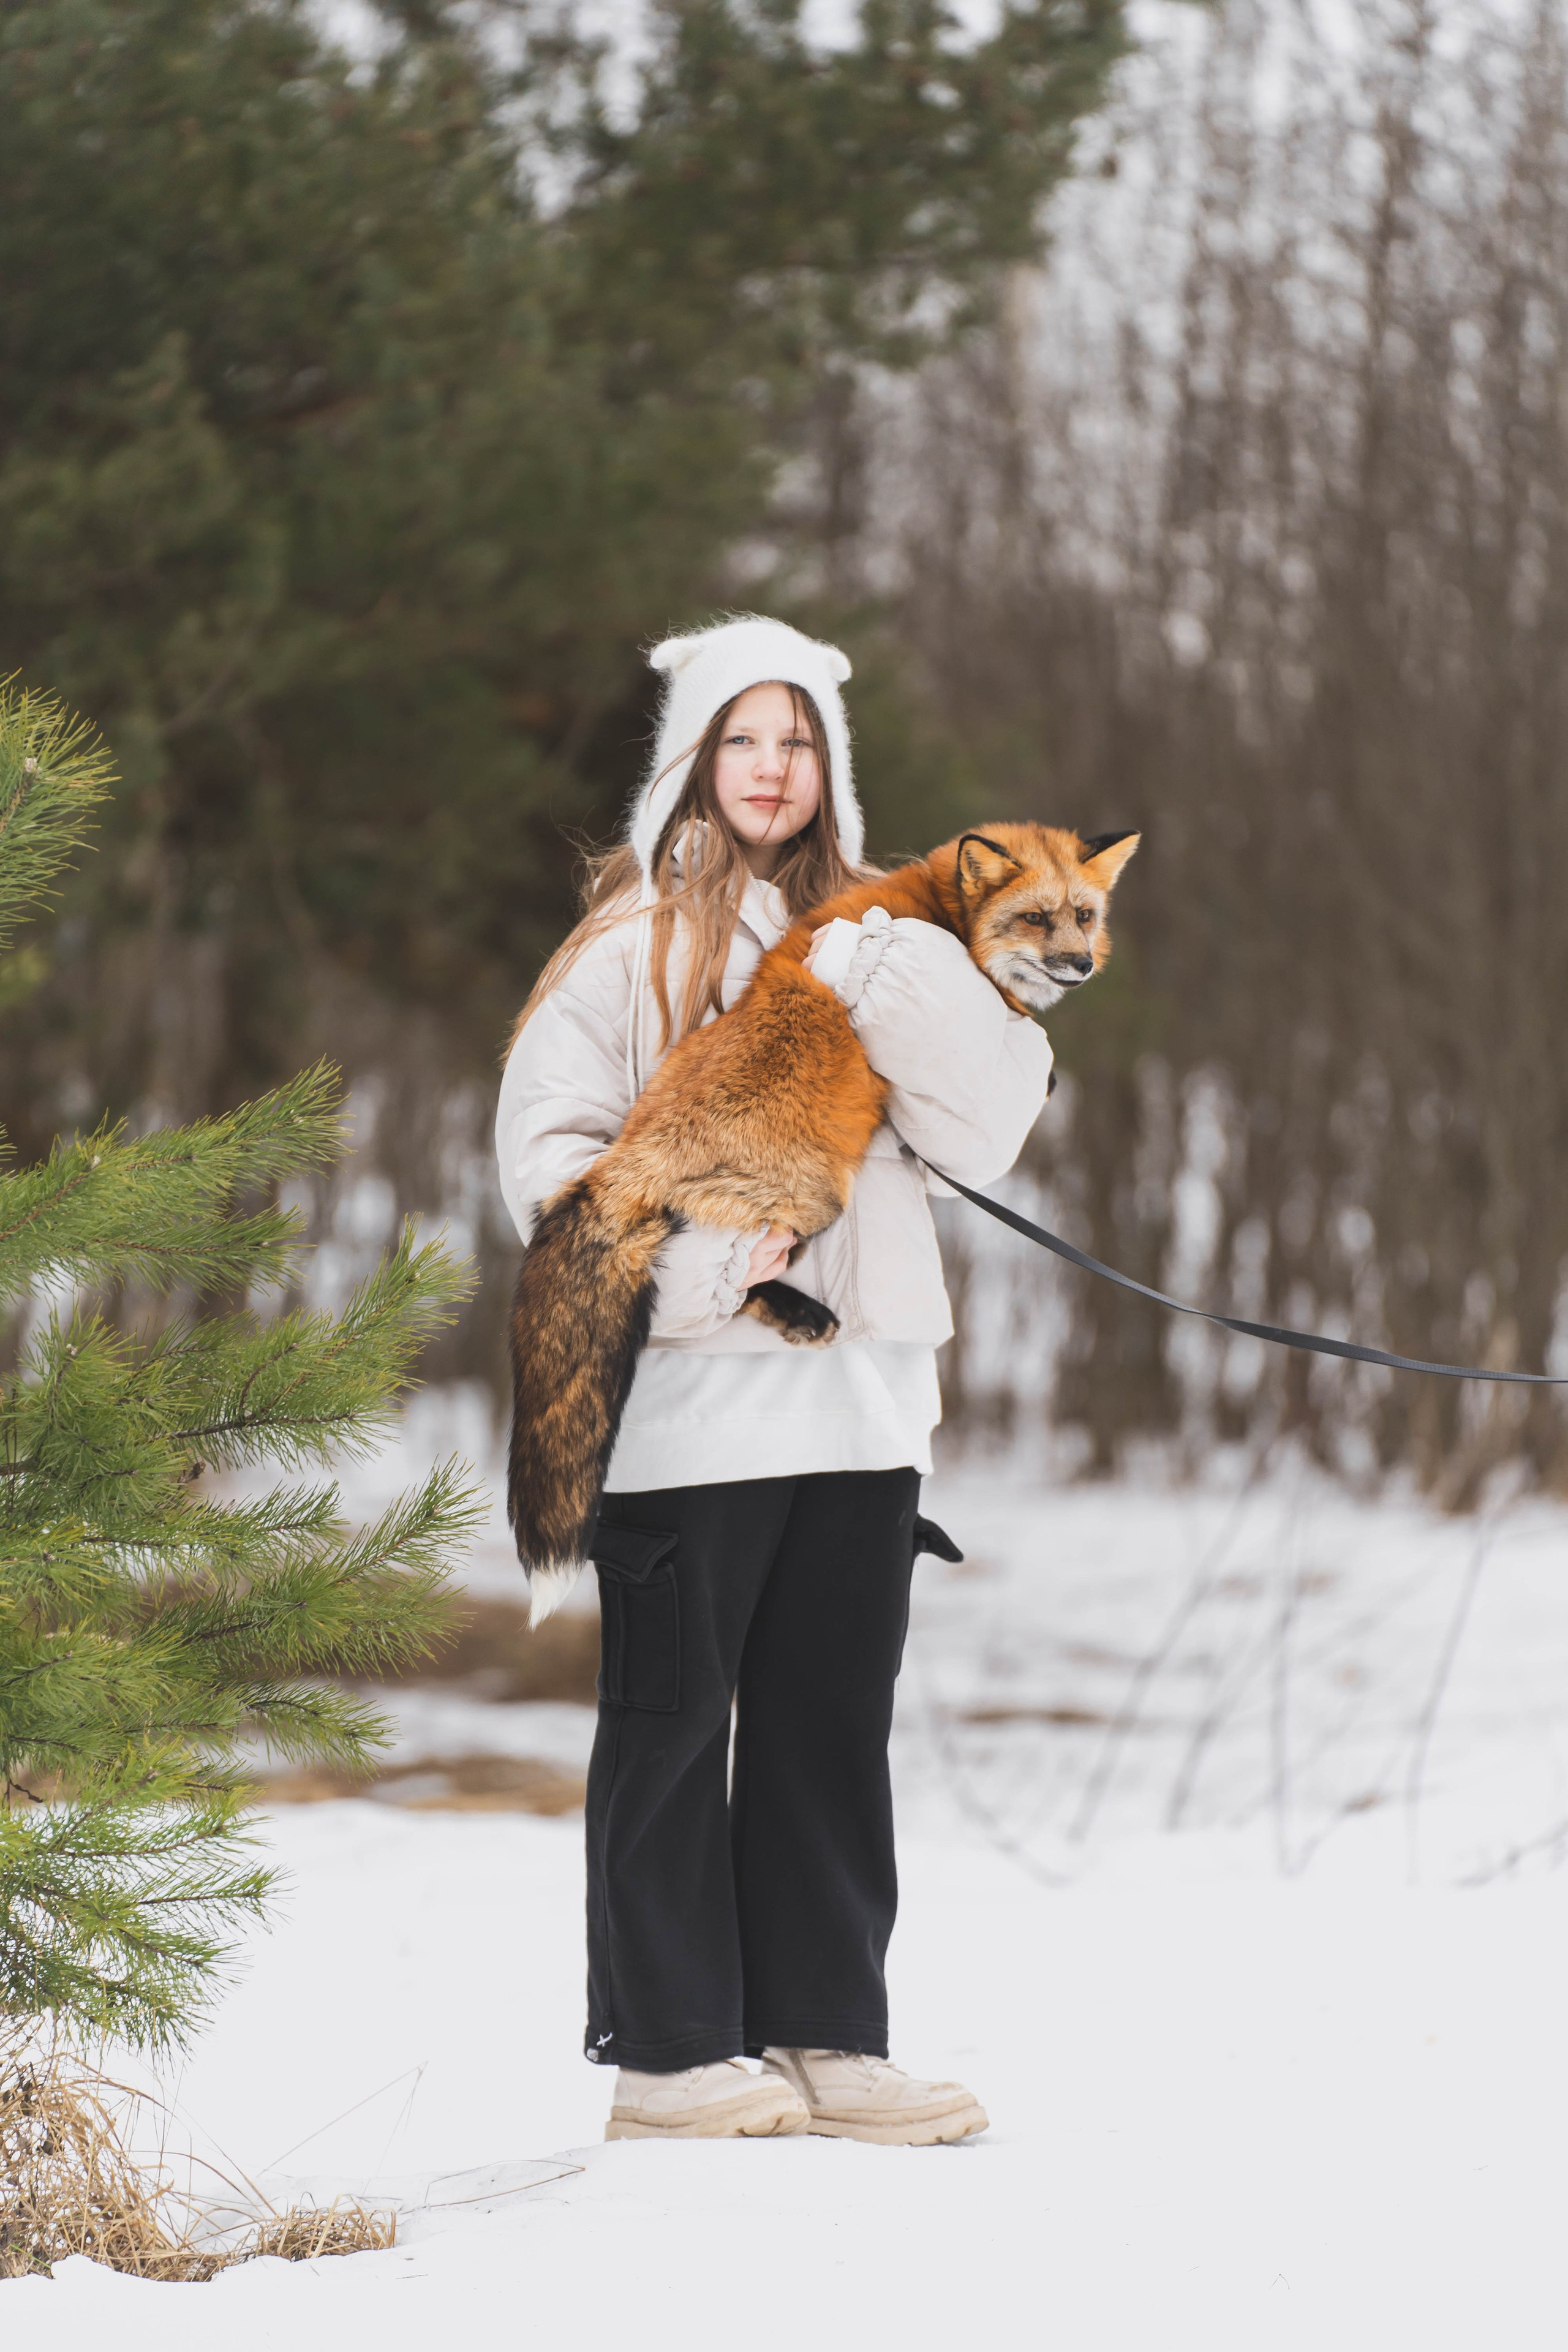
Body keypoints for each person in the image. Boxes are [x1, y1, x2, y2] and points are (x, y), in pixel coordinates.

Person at [494, 615, 1055, 2144]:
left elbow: (984, 1127)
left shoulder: (895, 944)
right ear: (691, 761)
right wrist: (695, 1272)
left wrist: (918, 978)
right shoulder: (625, 948)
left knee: (825, 1725)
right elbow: (547, 1167)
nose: (770, 767)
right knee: (673, 1725)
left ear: (830, 767)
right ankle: (670, 2054)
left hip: (861, 1399)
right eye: (741, 739)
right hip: (692, 1408)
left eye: (795, 740)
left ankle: (825, 2038)